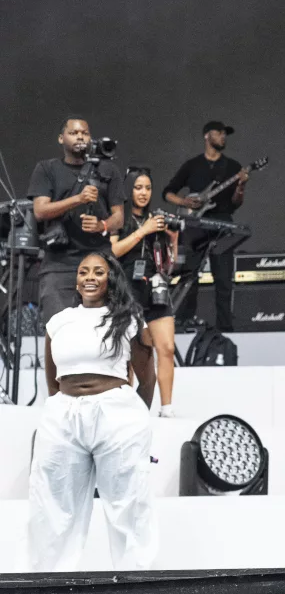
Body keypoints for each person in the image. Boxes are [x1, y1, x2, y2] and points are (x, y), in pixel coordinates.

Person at [28, 252, 157, 571]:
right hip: (64, 416)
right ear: (76, 279)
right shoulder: (58, 321)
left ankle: (136, 581)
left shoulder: (128, 319)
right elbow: (53, 380)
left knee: (128, 503)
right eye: (83, 271)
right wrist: (64, 411)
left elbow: (147, 377)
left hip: (116, 413)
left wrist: (134, 418)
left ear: (110, 278)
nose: (89, 277)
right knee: (52, 503)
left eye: (98, 272)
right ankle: (49, 582)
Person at [28, 116, 125, 324]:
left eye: (85, 133)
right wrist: (78, 199)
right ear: (61, 138)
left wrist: (103, 225)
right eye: (73, 133)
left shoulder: (109, 170)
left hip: (99, 259)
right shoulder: (47, 168)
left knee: (104, 328)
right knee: (57, 328)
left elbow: (119, 218)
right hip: (59, 263)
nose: (80, 136)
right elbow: (40, 211)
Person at [162, 120, 248, 332]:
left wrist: (241, 186)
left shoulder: (233, 167)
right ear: (207, 136)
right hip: (196, 224)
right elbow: (168, 192)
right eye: (219, 133)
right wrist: (184, 202)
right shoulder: (192, 165)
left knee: (223, 278)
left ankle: (225, 328)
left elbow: (236, 203)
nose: (223, 137)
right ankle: (184, 322)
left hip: (223, 222)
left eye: (225, 134)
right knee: (189, 275)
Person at [110, 167, 179, 417]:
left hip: (156, 289)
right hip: (127, 291)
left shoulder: (157, 218)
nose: (144, 193)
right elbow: (112, 252)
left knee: (167, 348)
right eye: (138, 187)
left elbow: (170, 265)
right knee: (127, 354)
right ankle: (124, 410)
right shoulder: (119, 218)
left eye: (148, 188)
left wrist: (173, 239)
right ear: (129, 189)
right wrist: (143, 231)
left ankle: (167, 408)